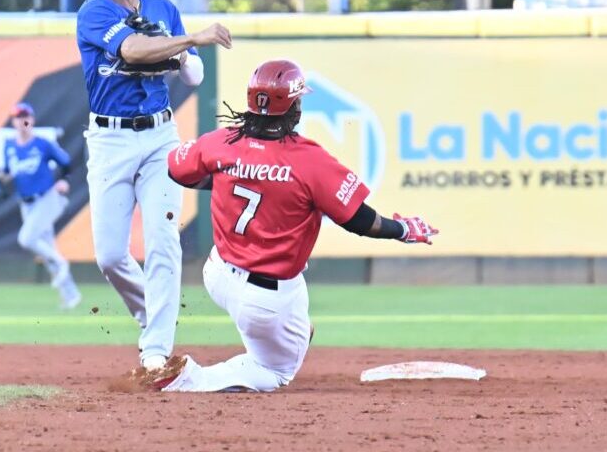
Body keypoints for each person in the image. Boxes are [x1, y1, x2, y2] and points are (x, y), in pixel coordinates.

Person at [155, 59, 439, 392]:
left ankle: (294, 328)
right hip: (264, 297)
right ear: (292, 107)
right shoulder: (308, 159)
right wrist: (402, 229)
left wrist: (229, 177)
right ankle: (190, 379)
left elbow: (177, 171)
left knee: (294, 308)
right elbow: (359, 220)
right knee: (275, 372)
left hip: (217, 273)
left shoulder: (221, 142)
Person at [76, 0, 233, 372]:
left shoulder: (164, 9)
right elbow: (133, 49)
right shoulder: (93, 12)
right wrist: (190, 40)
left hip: (160, 137)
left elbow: (193, 78)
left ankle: (156, 352)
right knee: (109, 255)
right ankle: (153, 318)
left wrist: (185, 54)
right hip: (110, 139)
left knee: (164, 241)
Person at [0, 102, 81, 310]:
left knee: (26, 239)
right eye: (17, 117)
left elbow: (66, 163)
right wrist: (0, 179)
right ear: (13, 121)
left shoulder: (42, 144)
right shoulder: (9, 146)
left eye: (25, 116)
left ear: (32, 120)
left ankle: (62, 263)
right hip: (27, 204)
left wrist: (65, 180)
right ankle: (71, 296)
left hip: (47, 198)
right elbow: (7, 171)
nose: (22, 121)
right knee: (47, 247)